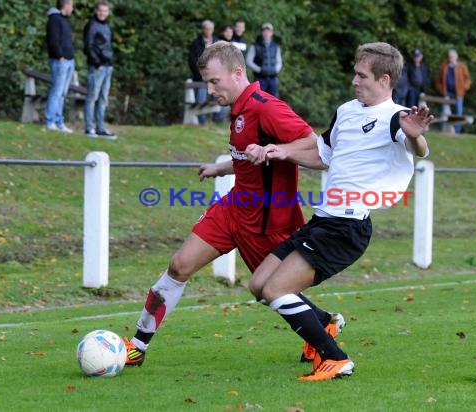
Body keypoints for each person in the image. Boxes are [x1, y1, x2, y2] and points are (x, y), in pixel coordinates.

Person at [123, 41, 342, 367]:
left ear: (237, 73)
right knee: (179, 265)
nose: (210, 90)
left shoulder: (266, 107)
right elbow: (248, 155)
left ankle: (324, 322)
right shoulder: (238, 110)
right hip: (234, 208)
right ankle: (138, 345)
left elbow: (313, 145)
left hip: (269, 221)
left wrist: (275, 151)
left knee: (271, 291)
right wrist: (222, 167)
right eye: (206, 83)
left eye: (214, 81)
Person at [245, 42, 432, 381]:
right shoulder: (347, 111)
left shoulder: (396, 117)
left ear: (384, 79)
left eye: (361, 75)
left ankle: (336, 359)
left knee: (277, 291)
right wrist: (280, 151)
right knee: (259, 284)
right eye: (355, 73)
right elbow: (323, 154)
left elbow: (415, 145)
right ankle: (325, 324)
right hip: (324, 219)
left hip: (348, 227)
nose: (354, 81)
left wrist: (416, 138)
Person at [83, 0, 116, 140]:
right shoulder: (91, 25)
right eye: (100, 10)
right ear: (96, 11)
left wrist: (110, 63)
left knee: (103, 98)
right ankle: (89, 127)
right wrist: (97, 62)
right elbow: (88, 46)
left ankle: (100, 127)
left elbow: (107, 46)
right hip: (97, 67)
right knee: (92, 97)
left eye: (105, 11)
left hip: (108, 66)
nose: (103, 13)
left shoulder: (107, 26)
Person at [45, 0, 75, 133]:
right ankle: (50, 120)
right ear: (66, 6)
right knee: (56, 91)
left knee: (62, 93)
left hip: (69, 61)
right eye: (71, 5)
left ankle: (59, 121)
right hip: (59, 61)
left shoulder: (64, 20)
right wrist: (60, 56)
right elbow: (53, 40)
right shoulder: (54, 20)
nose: (72, 8)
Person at [188, 20, 218, 125]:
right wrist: (199, 74)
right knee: (200, 99)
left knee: (219, 99)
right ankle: (201, 123)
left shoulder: (217, 42)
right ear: (203, 29)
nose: (209, 31)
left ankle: (215, 122)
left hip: (215, 77)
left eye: (211, 29)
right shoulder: (196, 43)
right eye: (207, 29)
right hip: (201, 77)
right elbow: (192, 61)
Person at [434, 49, 471, 133]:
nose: (451, 58)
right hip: (446, 93)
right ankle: (442, 130)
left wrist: (464, 87)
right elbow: (437, 80)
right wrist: (441, 89)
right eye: (450, 56)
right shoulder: (444, 66)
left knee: (458, 112)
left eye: (453, 56)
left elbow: (468, 79)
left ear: (456, 57)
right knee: (443, 111)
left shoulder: (462, 66)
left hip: (458, 94)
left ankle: (457, 131)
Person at [246, 23, 282, 97]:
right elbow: (248, 61)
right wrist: (259, 70)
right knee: (259, 101)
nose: (267, 33)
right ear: (262, 32)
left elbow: (279, 61)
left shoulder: (276, 46)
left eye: (268, 31)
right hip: (260, 79)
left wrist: (276, 70)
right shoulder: (255, 45)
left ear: (272, 33)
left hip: (273, 79)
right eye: (265, 31)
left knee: (273, 101)